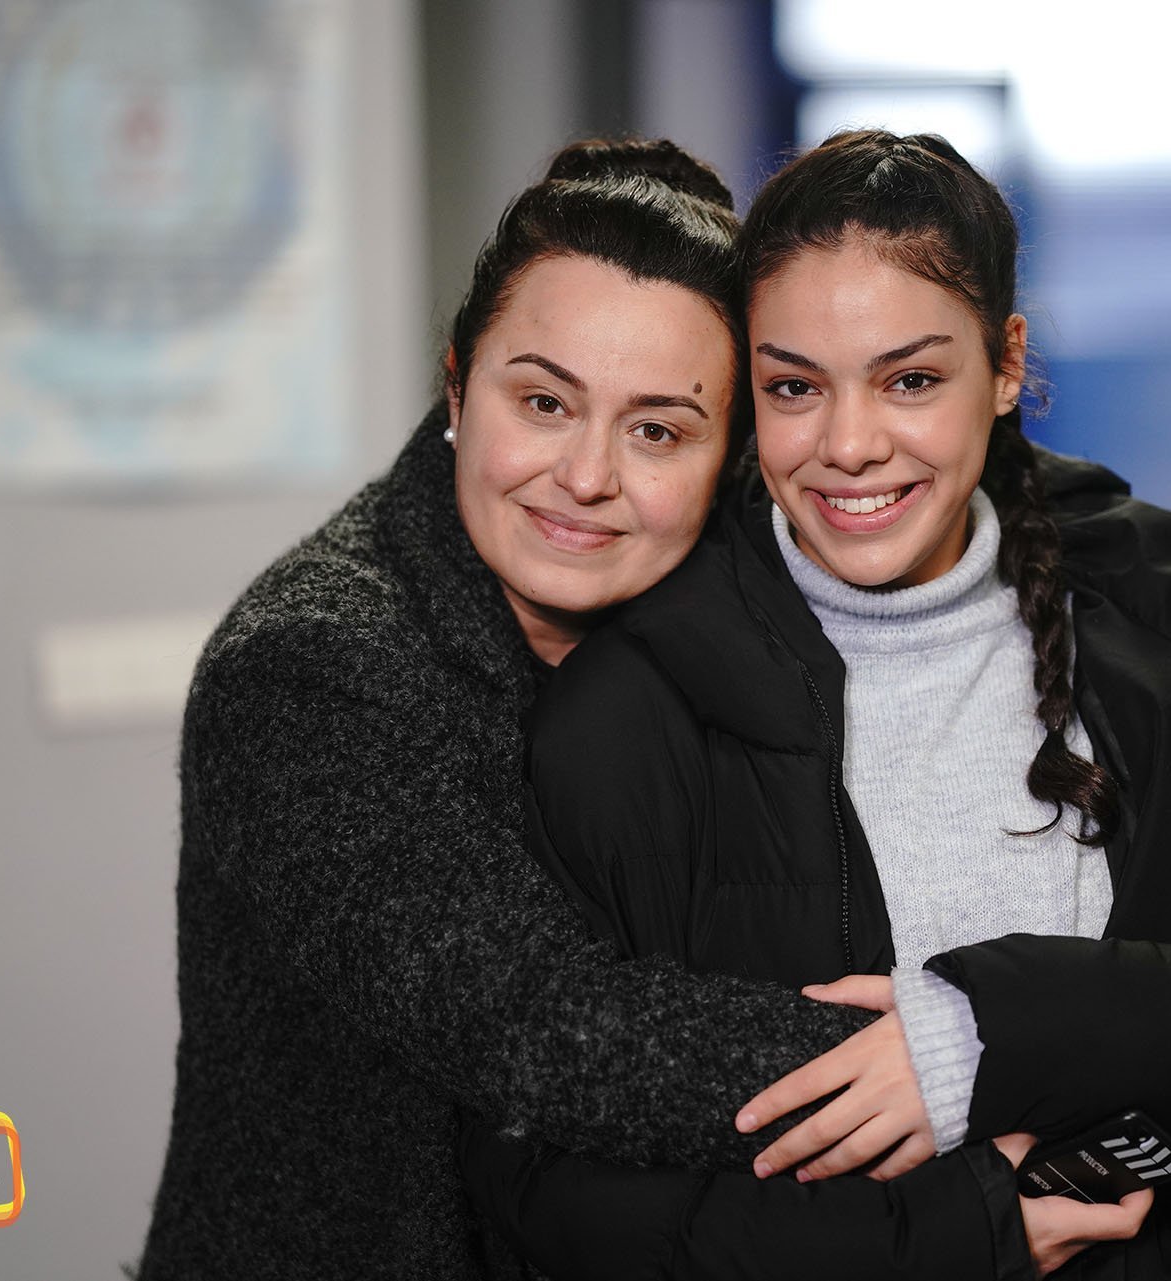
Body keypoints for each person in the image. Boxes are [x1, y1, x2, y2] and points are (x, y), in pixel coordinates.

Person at [458, 129, 1171, 1279]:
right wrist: (966, 1232)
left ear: (1007, 364)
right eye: (794, 387)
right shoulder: (625, 712)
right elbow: (545, 1200)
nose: (850, 446)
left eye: (911, 380)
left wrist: (993, 1029)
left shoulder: (1168, 637)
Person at [131, 138, 1033, 1280]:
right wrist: (964, 1056)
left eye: (657, 429)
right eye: (544, 402)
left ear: (731, 456)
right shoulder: (317, 666)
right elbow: (546, 1027)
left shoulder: (710, 621)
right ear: (457, 388)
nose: (587, 476)